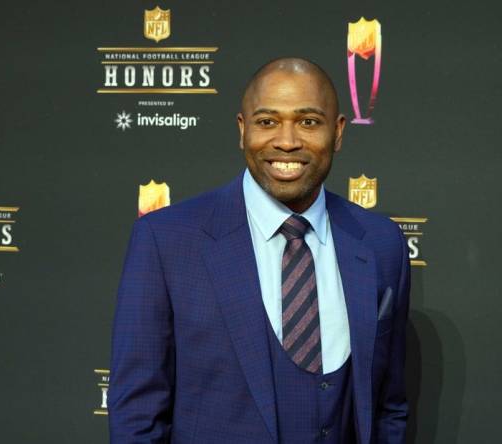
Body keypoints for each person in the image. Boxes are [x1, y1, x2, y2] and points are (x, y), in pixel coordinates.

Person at [109, 57, 410, 444]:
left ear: (337, 132)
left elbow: (389, 406)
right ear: (242, 129)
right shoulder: (167, 241)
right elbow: (137, 414)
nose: (286, 141)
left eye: (308, 122)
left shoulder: (381, 243)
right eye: (267, 122)